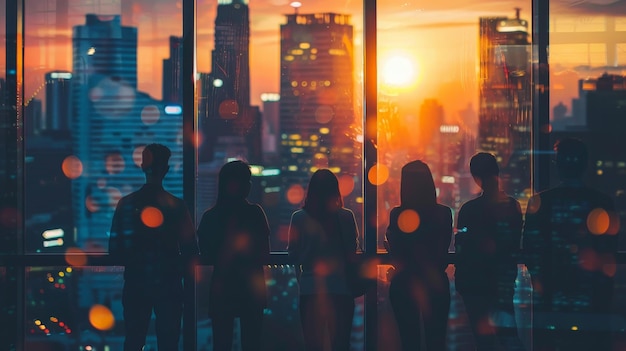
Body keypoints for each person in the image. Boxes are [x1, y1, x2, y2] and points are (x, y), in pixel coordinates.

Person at [523, 138, 618, 351]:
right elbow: (608, 251)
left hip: (550, 298)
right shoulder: (602, 202)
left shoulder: (540, 203)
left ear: (558, 165)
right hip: (592, 300)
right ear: (585, 165)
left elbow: (530, 250)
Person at [109, 143, 198, 351]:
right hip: (170, 285)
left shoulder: (126, 204)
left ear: (142, 166)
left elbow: (115, 249)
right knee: (169, 342)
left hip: (135, 283)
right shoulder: (177, 206)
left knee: (133, 339)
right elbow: (190, 250)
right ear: (166, 170)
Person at [197, 160, 271, 351]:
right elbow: (265, 253)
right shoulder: (255, 214)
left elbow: (205, 253)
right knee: (252, 343)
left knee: (221, 344)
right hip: (251, 289)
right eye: (247, 181)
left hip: (222, 287)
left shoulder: (210, 217)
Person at [454, 152, 525, 350]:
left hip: (474, 283)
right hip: (501, 281)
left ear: (476, 177)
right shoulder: (513, 206)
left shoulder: (469, 210)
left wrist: (461, 280)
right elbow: (512, 243)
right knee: (508, 337)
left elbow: (461, 246)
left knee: (483, 341)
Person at [287, 169, 359, 351]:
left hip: (310, 291)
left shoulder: (299, 218)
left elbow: (293, 254)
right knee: (341, 344)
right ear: (335, 191)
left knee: (313, 346)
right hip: (342, 290)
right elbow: (352, 250)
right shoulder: (346, 216)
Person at [385, 160, 453, 351]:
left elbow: (399, 253)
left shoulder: (398, 214)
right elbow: (442, 250)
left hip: (404, 283)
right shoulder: (443, 213)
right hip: (435, 284)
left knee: (409, 342)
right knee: (436, 341)